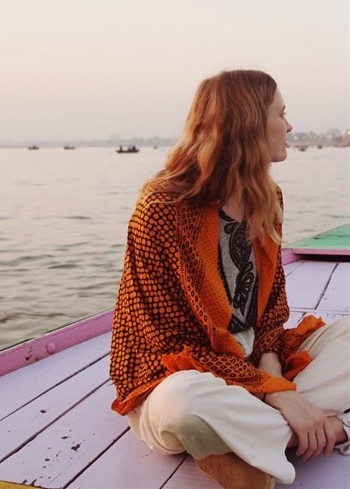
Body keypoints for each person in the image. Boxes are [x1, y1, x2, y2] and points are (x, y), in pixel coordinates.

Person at [109, 69, 349, 489]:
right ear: (248, 123)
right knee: (184, 405)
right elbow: (169, 346)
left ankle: (247, 440)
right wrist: (277, 391)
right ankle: (327, 427)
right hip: (179, 371)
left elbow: (271, 309)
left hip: (254, 362)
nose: (290, 126)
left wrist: (271, 373)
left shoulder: (267, 199)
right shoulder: (162, 209)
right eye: (281, 114)